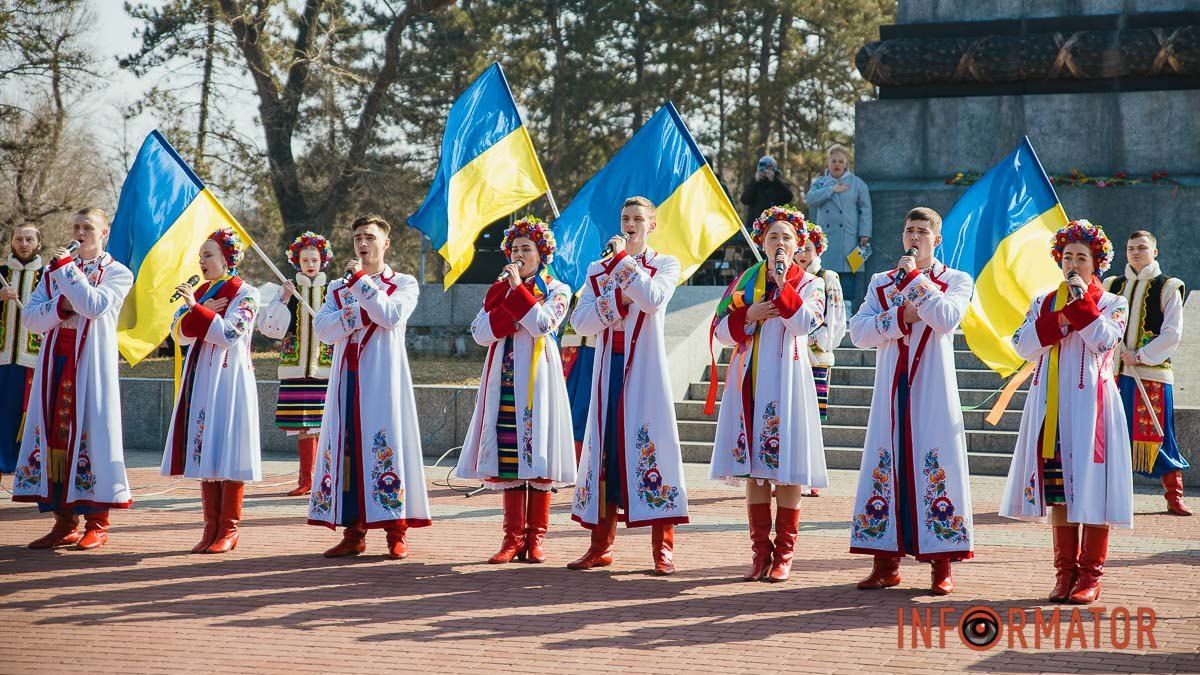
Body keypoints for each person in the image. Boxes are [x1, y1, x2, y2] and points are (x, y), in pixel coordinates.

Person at [1000, 220, 1133, 605]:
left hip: (1093, 408)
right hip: (1051, 408)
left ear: (1096, 264)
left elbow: (1105, 340)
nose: (1073, 264)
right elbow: (1023, 345)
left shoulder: (1112, 302)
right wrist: (1060, 318)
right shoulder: (1042, 300)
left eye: (1082, 258)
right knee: (1058, 493)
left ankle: (1091, 575)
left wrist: (1080, 305)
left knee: (1092, 487)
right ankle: (1065, 574)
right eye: (1068, 257)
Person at [847, 207, 974, 595]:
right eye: (908, 231)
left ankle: (941, 565)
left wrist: (917, 280)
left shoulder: (957, 279)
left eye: (922, 231)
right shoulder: (881, 281)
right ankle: (885, 563)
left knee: (936, 462)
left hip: (933, 387)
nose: (914, 237)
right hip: (891, 385)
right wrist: (900, 318)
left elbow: (948, 318)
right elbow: (858, 331)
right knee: (887, 462)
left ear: (937, 239)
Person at [568, 196, 689, 575]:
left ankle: (662, 549)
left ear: (651, 225)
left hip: (645, 372)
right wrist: (612, 305)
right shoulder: (596, 267)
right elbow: (580, 322)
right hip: (608, 369)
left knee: (652, 448)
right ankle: (600, 546)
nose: (631, 224)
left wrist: (623, 264)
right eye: (625, 218)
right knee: (605, 454)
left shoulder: (665, 264)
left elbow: (652, 299)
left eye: (638, 218)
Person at [709, 206, 828, 582]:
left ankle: (785, 553)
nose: (779, 244)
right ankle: (761, 552)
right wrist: (749, 316)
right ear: (761, 241)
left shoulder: (811, 283)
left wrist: (785, 286)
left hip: (789, 380)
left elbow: (807, 323)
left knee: (787, 468)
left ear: (799, 246)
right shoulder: (745, 281)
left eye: (787, 239)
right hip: (750, 380)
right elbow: (719, 330)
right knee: (755, 471)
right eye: (773, 237)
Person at [456, 216, 577, 564]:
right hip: (504, 378)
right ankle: (511, 538)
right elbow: (481, 334)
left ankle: (536, 538)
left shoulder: (557, 289)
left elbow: (543, 324)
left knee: (538, 455)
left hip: (538, 379)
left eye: (528, 249)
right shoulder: (497, 290)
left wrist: (517, 296)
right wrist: (510, 298)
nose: (520, 254)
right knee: (509, 457)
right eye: (515, 249)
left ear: (542, 255)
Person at [308, 215, 430, 559]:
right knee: (348, 451)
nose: (363, 243)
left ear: (385, 243)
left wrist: (360, 285)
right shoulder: (336, 287)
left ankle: (396, 530)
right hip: (347, 379)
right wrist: (360, 314)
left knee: (387, 445)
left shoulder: (404, 283)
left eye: (371, 237)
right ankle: (354, 530)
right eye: (358, 237)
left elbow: (390, 315)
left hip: (384, 381)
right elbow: (323, 330)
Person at [12, 208, 133, 550]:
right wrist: (60, 308)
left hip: (90, 366)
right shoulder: (53, 273)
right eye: (77, 226)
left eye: (88, 228)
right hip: (56, 362)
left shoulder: (118, 273)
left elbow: (94, 306)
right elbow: (32, 319)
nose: (80, 233)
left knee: (91, 434)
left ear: (104, 232)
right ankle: (64, 521)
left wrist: (67, 275)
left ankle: (97, 522)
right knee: (55, 438)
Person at [162, 227, 261, 554]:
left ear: (227, 258)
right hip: (202, 378)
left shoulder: (247, 293)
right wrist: (201, 310)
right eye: (200, 255)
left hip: (229, 377)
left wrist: (199, 311)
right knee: (207, 447)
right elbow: (179, 334)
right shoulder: (202, 291)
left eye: (208, 255)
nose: (201, 261)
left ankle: (229, 529)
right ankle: (210, 527)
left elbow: (231, 333)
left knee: (228, 448)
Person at [1104, 230, 1191, 516]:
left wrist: (1139, 356)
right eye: (1130, 248)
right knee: (1111, 434)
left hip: (1151, 376)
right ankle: (1110, 494)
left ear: (1155, 251)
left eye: (1142, 247)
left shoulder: (1169, 286)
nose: (1135, 252)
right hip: (1113, 375)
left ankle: (1174, 495)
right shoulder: (1112, 285)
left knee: (1158, 434)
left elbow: (1172, 334)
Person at [258, 232, 334, 497]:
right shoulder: (288, 291)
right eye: (305, 259)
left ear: (323, 261)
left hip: (326, 369)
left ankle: (328, 478)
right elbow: (271, 329)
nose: (310, 264)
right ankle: (306, 479)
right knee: (303, 424)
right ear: (297, 262)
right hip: (295, 369)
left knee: (326, 425)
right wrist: (283, 298)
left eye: (314, 259)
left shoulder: (332, 290)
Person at [796, 218, 848, 494]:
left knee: (813, 418)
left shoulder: (827, 278)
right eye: (799, 248)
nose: (802, 254)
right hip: (790, 356)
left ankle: (812, 476)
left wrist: (822, 342)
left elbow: (837, 318)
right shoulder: (787, 276)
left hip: (816, 356)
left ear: (819, 251)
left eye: (808, 249)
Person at [805, 145, 872, 311]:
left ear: (846, 164)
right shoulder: (820, 183)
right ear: (828, 163)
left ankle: (846, 310)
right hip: (826, 238)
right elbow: (811, 199)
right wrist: (831, 189)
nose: (837, 164)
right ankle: (827, 309)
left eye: (841, 161)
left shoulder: (857, 184)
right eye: (833, 160)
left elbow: (866, 209)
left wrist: (864, 233)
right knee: (826, 274)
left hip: (848, 237)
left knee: (847, 275)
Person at [1, 224, 43, 475]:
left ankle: (25, 465)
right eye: (19, 239)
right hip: (2, 358)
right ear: (12, 243)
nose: (24, 244)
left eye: (29, 239)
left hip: (33, 360)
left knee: (26, 417)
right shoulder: (2, 273)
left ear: (39, 243)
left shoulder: (50, 274)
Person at [740, 156, 793, 226]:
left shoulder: (779, 182)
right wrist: (754, 182)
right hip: (755, 223)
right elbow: (745, 199)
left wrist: (774, 181)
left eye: (768, 167)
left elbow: (788, 197)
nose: (765, 171)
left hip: (775, 222)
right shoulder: (754, 182)